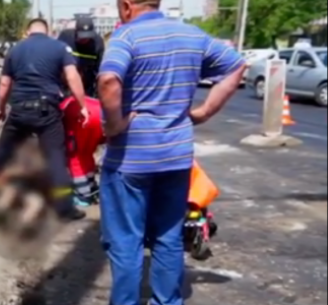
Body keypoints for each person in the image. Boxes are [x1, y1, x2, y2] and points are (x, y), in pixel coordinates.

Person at [97, 0, 245, 304]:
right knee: (168, 239)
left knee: (126, 242)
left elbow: (109, 80)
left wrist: (113, 126)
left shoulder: (126, 37)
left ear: (126, 5)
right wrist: (203, 112)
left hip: (130, 160)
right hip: (176, 158)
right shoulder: (193, 35)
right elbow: (237, 65)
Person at [0, 18, 90, 221]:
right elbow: (73, 77)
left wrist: (1, 109)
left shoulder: (15, 50)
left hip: (20, 111)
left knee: (2, 152)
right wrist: (82, 106)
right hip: (47, 112)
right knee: (56, 158)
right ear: (47, 31)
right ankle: (64, 209)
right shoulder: (59, 47)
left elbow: (4, 84)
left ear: (27, 32)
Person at [59, 96, 104, 207]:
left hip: (80, 116)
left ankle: (83, 196)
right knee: (87, 153)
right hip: (99, 112)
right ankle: (92, 187)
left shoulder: (66, 104)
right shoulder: (83, 98)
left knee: (75, 158)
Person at [57, 16, 105, 97]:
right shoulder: (65, 37)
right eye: (82, 37)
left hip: (87, 86)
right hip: (66, 85)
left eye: (87, 37)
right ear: (76, 32)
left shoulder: (97, 43)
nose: (84, 40)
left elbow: (100, 70)